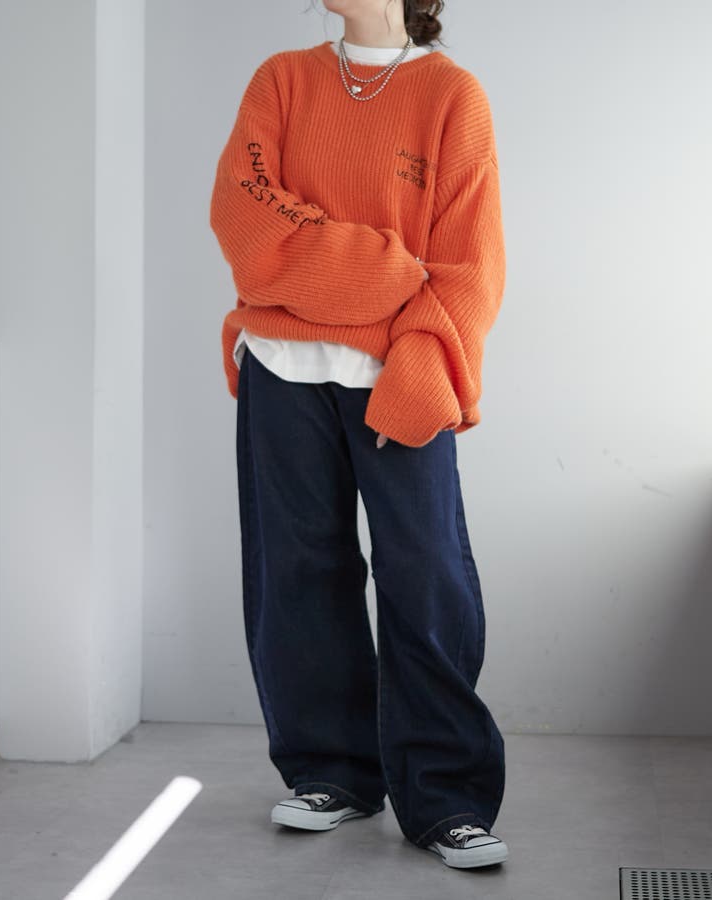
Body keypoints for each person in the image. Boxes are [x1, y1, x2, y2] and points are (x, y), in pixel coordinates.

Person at [209, 0, 508, 871]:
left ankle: (446, 796)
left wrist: (415, 355)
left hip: (405, 369)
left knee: (426, 571)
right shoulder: (282, 81)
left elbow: (470, 268)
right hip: (281, 367)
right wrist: (386, 269)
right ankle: (330, 773)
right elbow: (247, 223)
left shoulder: (452, 97)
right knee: (298, 568)